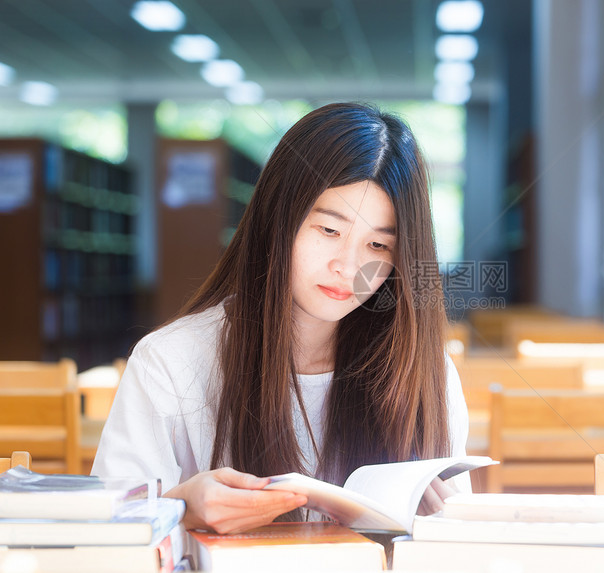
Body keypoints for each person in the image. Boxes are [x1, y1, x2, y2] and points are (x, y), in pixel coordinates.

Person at [92, 102, 470, 534]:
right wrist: (180, 508)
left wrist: (444, 522)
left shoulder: (425, 372)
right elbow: (107, 536)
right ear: (278, 219)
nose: (349, 267)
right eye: (329, 231)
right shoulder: (170, 362)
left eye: (378, 247)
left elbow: (459, 544)